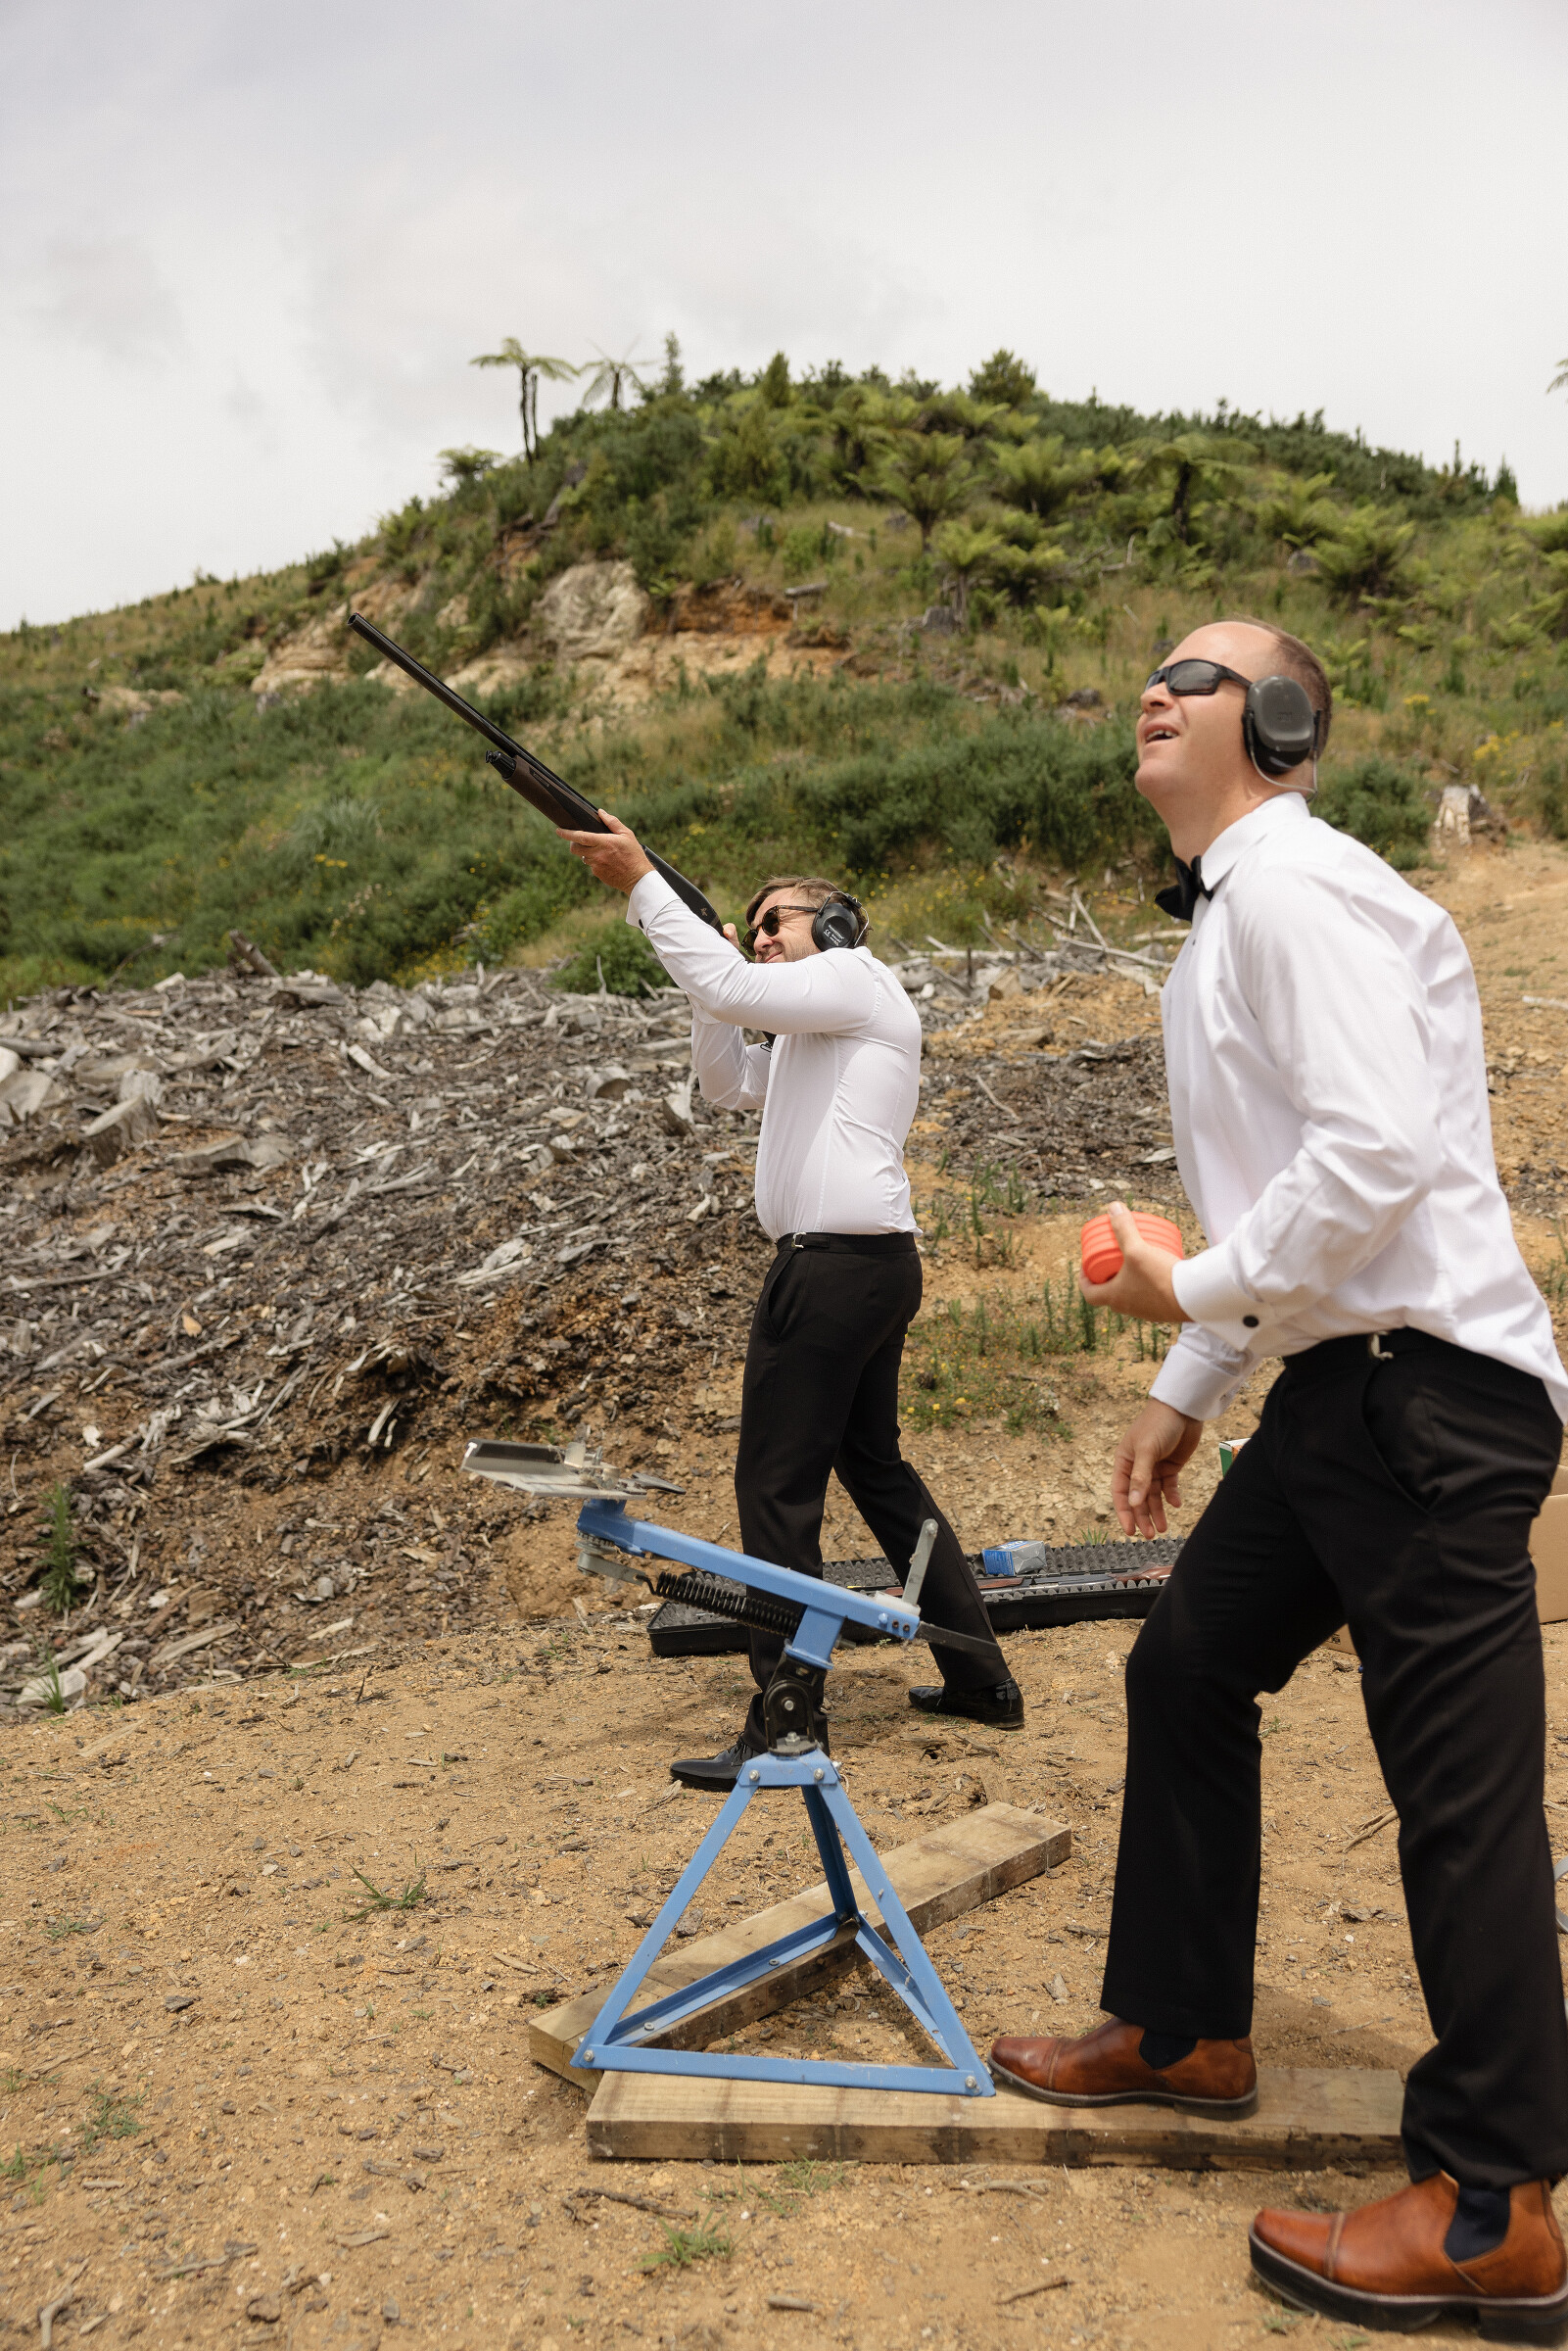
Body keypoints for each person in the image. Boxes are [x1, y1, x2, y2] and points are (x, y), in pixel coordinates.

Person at [987, 619, 1568, 2335]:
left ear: (1284, 719)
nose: (1155, 690)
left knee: (1457, 1796)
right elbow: (1288, 1194)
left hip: (1422, 1400)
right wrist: (1188, 1381)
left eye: (1200, 675)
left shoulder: (1297, 893)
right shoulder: (1240, 914)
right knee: (1186, 1663)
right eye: (1152, 673)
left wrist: (1188, 1292)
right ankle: (1183, 2031)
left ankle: (1495, 2208)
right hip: (1342, 1390)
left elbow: (1371, 1157)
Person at [553, 815, 1020, 1790]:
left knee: (775, 1489)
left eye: (778, 921)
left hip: (831, 1271)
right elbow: (726, 1080)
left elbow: (732, 988)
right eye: (754, 924)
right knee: (875, 1472)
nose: (762, 935)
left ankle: (786, 1724)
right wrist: (708, 973)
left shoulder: (850, 977)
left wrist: (644, 886)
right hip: (864, 1265)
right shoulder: (822, 1025)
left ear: (835, 923)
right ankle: (979, 1677)